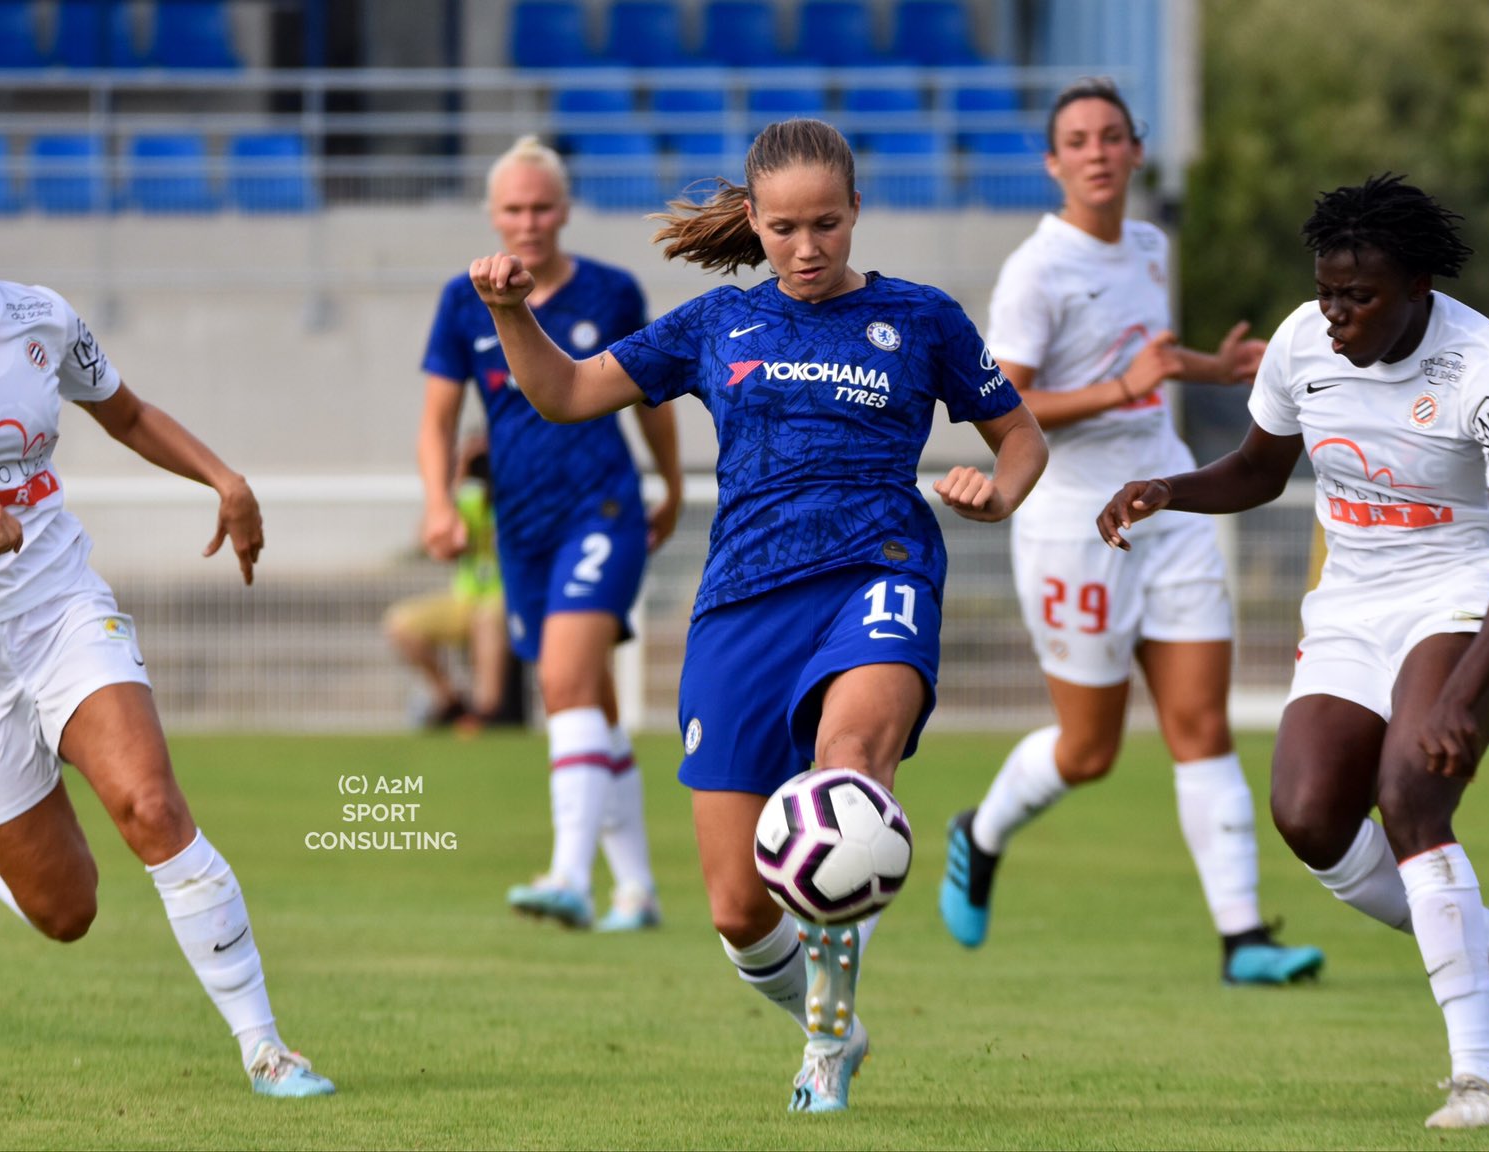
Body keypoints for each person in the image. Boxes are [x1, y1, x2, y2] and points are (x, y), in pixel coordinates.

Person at [468, 118, 1046, 1113]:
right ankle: (829, 1017)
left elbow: (1020, 439)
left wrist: (999, 491)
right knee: (737, 909)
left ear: (856, 211)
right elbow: (562, 393)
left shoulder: (923, 319)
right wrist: (512, 316)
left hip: (880, 569)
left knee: (848, 782)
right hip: (741, 600)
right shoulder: (713, 326)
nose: (806, 246)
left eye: (826, 222)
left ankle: (826, 1031)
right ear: (752, 219)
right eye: (783, 227)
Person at [0, 131, 334, 1098]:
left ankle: (266, 1048)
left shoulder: (41, 319)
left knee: (154, 808)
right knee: (67, 911)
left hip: (54, 602)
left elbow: (122, 412)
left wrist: (225, 478)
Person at [1098, 173, 1489, 1130]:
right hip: (1353, 602)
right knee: (1307, 815)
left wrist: (1461, 694)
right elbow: (1261, 473)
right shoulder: (1303, 343)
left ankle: (1479, 1080)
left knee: (1412, 794)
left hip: (1464, 595)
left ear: (1418, 286)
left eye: (1361, 296)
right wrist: (1167, 490)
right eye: (1327, 292)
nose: (1336, 315)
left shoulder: (1482, 363)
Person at [938, 77, 1326, 985]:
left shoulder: (1149, 246)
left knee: (1201, 726)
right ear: (1053, 163)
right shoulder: (1038, 271)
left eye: (1114, 136)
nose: (1099, 152)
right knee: (1090, 750)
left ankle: (1244, 941)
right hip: (1075, 523)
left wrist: (1208, 367)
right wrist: (1122, 389)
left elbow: (1141, 358)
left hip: (1167, 502)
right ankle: (980, 832)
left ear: (1137, 151)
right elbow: (1006, 405)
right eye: (1079, 140)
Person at [418, 136, 683, 933]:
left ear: (563, 211)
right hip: (521, 525)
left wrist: (668, 483)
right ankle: (636, 890)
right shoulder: (463, 301)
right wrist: (438, 502)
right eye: (513, 208)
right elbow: (436, 420)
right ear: (492, 214)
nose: (528, 221)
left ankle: (569, 874)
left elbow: (651, 397)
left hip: (601, 504)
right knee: (590, 702)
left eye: (541, 206)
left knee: (564, 683)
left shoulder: (612, 291)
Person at [384, 434, 510, 732]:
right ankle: (450, 700)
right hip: (465, 598)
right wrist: (460, 472)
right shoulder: (466, 499)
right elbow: (430, 538)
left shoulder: (519, 498)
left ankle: (485, 712)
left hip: (508, 598)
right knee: (401, 623)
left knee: (488, 618)